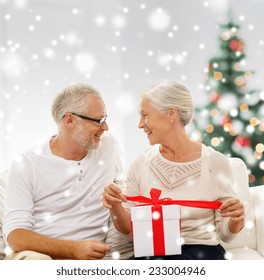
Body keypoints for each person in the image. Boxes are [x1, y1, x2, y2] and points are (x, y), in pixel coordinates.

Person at [103, 80, 245, 260]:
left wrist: (236, 220)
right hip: (154, 252)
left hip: (202, 252)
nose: (140, 124)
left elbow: (226, 235)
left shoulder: (215, 163)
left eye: (145, 115)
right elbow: (127, 229)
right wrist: (114, 205)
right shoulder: (140, 164)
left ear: (171, 114)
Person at [3, 83, 124, 260]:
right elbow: (16, 235)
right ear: (69, 120)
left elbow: (124, 195)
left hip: (89, 259)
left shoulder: (109, 147)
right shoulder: (27, 164)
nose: (105, 127)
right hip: (38, 256)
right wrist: (73, 249)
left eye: (105, 118)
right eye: (98, 121)